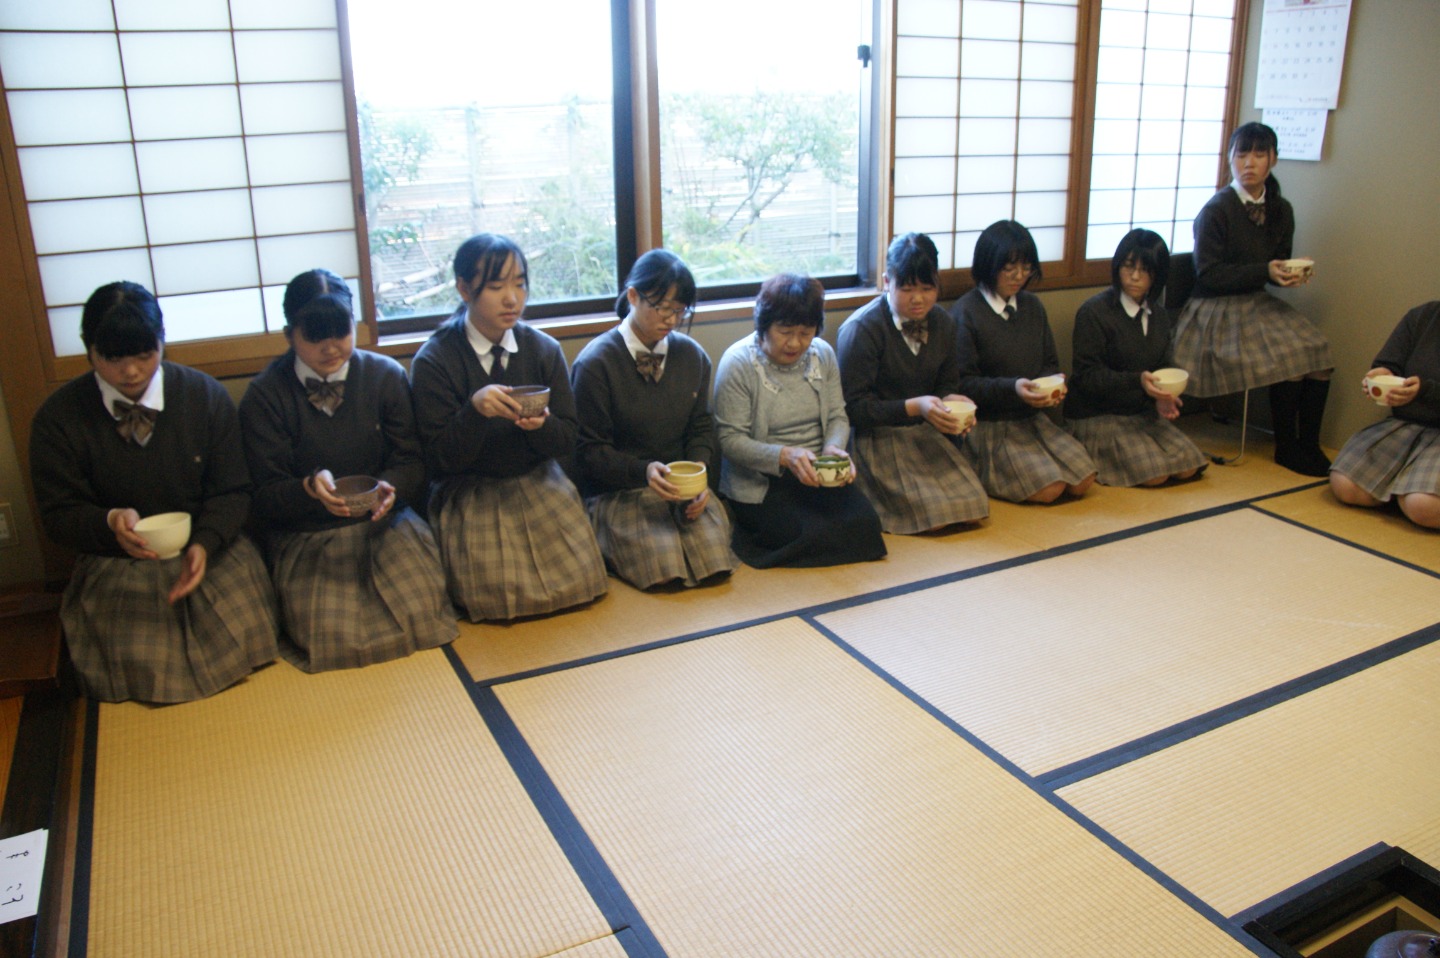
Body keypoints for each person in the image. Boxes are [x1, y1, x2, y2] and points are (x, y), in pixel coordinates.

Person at [29, 282, 279, 703]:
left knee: (237, 640)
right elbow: (58, 514)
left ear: (163, 341)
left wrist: (206, 542)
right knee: (137, 664)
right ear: (89, 350)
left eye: (144, 355)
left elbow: (234, 489)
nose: (131, 372)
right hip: (118, 562)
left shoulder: (204, 396)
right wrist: (108, 522)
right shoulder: (58, 418)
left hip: (208, 552)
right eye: (113, 359)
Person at [238, 269, 456, 670]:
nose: (330, 347)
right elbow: (263, 494)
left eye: (340, 332)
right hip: (309, 534)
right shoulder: (266, 395)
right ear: (289, 335)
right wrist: (307, 488)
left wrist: (391, 488)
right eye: (314, 336)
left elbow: (411, 460)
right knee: (332, 638)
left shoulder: (384, 375)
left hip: (385, 525)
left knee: (422, 613)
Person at [409, 234, 607, 620]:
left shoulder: (542, 349)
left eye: (520, 284)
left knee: (581, 584)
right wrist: (474, 412)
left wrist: (541, 426)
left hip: (537, 481)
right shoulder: (435, 360)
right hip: (471, 491)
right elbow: (437, 459)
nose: (512, 299)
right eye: (496, 286)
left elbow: (568, 437)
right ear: (464, 289)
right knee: (498, 599)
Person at [1171, 121, 1333, 476]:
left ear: (1273, 159)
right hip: (1213, 309)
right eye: (1241, 154)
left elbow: (1275, 264)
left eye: (1259, 154)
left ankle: (1309, 443)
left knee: (1318, 350)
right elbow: (1208, 274)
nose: (1249, 162)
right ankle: (1286, 446)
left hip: (1255, 302)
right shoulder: (1217, 209)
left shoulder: (1281, 209)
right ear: (1230, 158)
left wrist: (1289, 274)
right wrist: (1266, 271)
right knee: (1291, 356)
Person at [570, 250, 738, 589]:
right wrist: (643, 471)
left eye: (680, 310)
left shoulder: (692, 356)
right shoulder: (596, 363)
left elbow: (701, 427)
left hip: (680, 488)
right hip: (622, 491)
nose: (672, 320)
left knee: (714, 565)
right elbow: (589, 451)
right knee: (664, 570)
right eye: (662, 308)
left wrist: (699, 477)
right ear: (633, 296)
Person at [713, 273, 886, 567]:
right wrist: (784, 456)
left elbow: (837, 415)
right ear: (764, 325)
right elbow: (731, 441)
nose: (795, 343)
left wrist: (833, 449)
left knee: (867, 525)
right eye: (785, 331)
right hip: (763, 481)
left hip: (816, 474)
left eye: (806, 333)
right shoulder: (738, 363)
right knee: (800, 531)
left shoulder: (822, 355)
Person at [836, 232, 987, 532]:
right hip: (878, 440)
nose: (918, 299)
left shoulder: (943, 323)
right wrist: (915, 407)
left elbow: (946, 386)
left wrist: (954, 405)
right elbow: (854, 409)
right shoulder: (862, 328)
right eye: (906, 289)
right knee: (935, 516)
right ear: (887, 282)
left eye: (927, 288)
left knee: (973, 509)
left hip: (924, 435)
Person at [948, 220, 1097, 503]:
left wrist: (1053, 385)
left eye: (1026, 268)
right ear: (989, 265)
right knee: (1050, 489)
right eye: (1009, 268)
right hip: (991, 425)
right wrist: (1013, 388)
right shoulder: (966, 312)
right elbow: (963, 384)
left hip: (1032, 419)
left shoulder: (1032, 306)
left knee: (1083, 480)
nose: (1019, 276)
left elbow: (1050, 363)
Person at [1067, 229, 1208, 487]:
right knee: (1155, 474)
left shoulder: (1159, 315)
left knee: (1189, 466)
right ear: (1117, 267)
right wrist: (1138, 381)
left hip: (1140, 412)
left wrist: (1162, 397)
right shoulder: (1094, 312)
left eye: (1145, 270)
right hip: (1098, 414)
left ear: (1157, 275)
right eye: (1128, 266)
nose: (1134, 276)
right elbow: (1087, 377)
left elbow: (1162, 365)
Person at [1329, 302, 1440, 529]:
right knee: (1345, 486)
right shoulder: (1423, 315)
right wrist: (1381, 374)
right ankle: (1403, 492)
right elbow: (1389, 364)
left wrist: (1425, 390)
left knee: (1424, 507)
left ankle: (1410, 496)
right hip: (1407, 425)